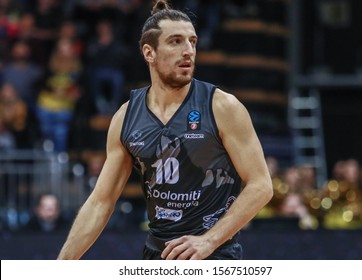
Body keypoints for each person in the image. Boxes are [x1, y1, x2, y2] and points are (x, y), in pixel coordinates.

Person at [57, 0, 273, 260]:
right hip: (157, 254)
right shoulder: (125, 117)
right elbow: (101, 202)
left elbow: (261, 186)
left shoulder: (223, 106)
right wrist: (62, 266)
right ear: (149, 53)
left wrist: (209, 241)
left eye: (192, 41)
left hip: (214, 254)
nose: (188, 51)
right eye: (176, 41)